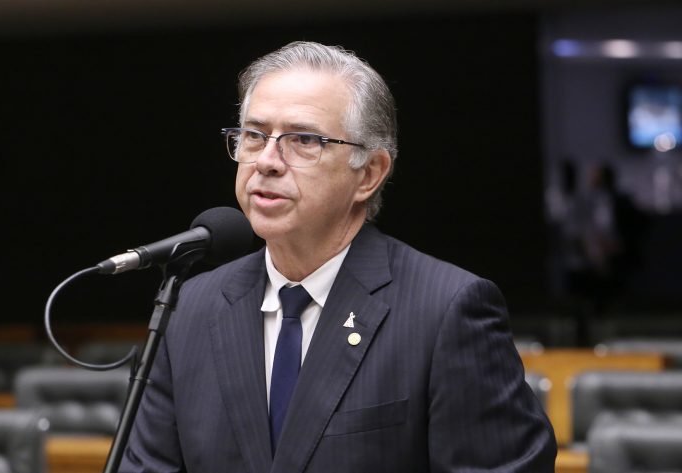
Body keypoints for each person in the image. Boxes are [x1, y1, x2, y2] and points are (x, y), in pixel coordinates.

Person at [119, 41, 556, 472]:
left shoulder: (446, 310)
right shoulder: (192, 308)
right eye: (254, 135)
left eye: (303, 139)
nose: (267, 161)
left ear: (369, 173)